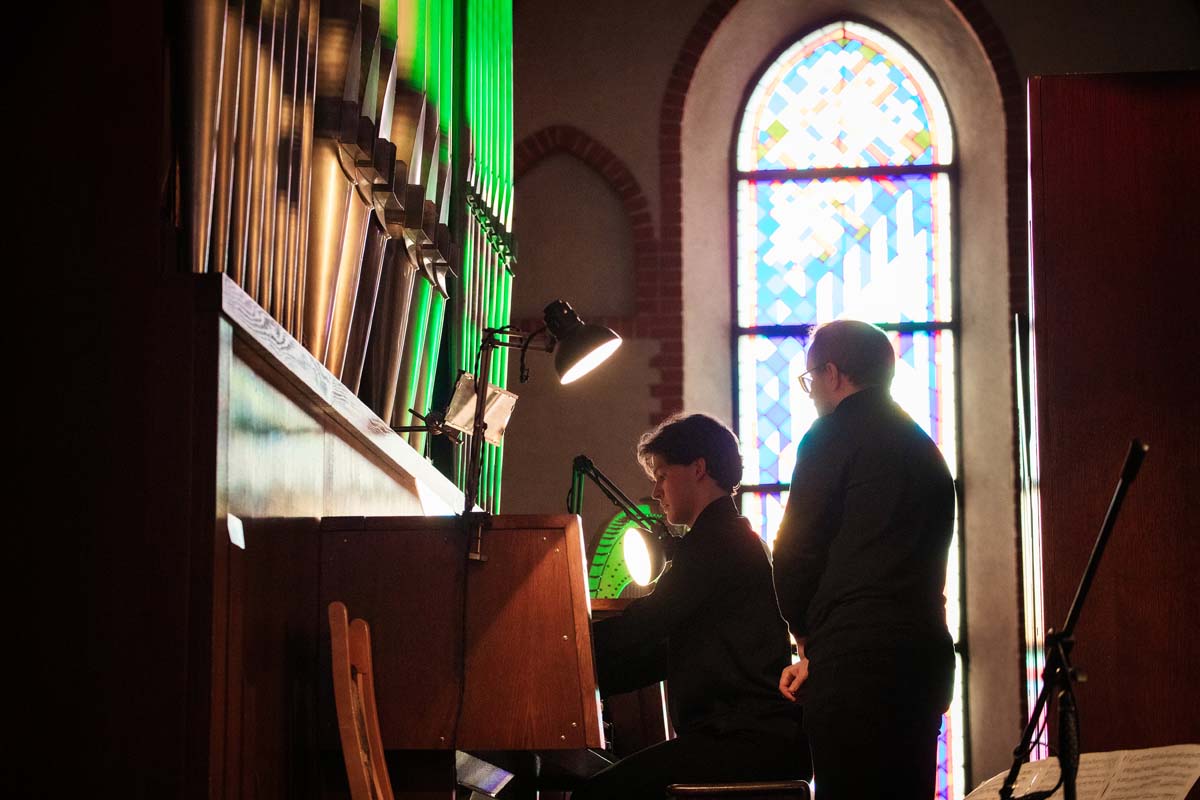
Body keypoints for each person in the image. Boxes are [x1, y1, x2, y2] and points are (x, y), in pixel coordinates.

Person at [571, 413, 810, 800]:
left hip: (745, 740)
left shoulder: (716, 543)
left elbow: (647, 622)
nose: (656, 491)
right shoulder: (728, 537)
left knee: (597, 795)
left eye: (662, 475)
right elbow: (663, 653)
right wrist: (585, 676)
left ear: (698, 468)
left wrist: (567, 646)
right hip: (754, 737)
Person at [772, 319, 956, 800]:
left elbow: (795, 552)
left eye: (810, 379)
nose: (811, 392)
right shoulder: (926, 450)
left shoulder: (830, 436)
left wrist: (807, 637)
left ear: (832, 374)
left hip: (852, 669)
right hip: (921, 665)